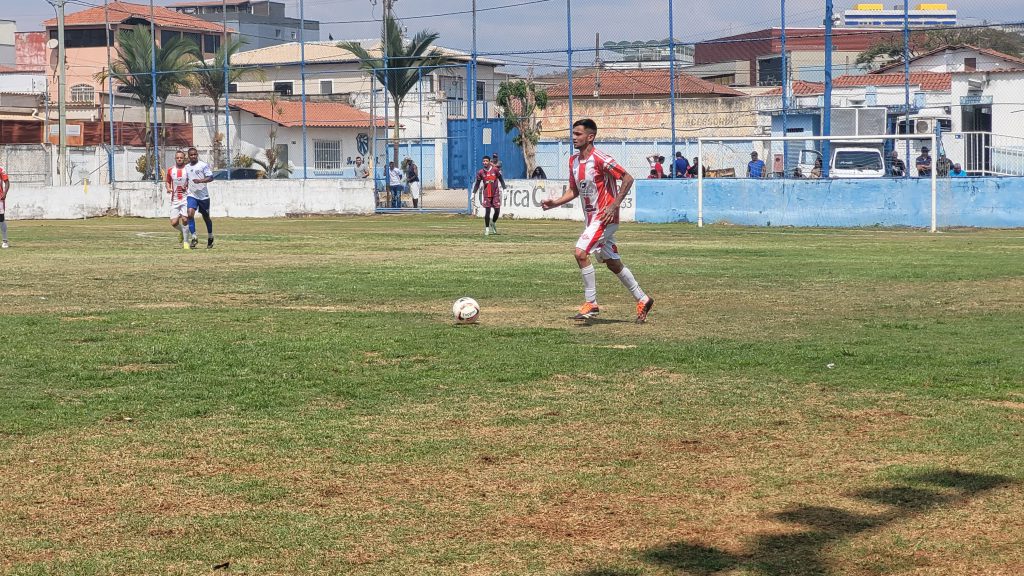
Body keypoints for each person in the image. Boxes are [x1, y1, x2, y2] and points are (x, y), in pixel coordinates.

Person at [541, 118, 654, 323]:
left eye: (578, 134)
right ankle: (643, 298)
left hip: (605, 217)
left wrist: (614, 205)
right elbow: (574, 191)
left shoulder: (601, 158)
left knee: (580, 252)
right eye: (573, 133)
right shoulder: (573, 161)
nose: (573, 137)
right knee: (612, 263)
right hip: (591, 219)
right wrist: (555, 203)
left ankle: (591, 303)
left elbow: (628, 178)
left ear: (590, 137)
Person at [185, 147, 215, 249]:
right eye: (191, 155)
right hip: (192, 195)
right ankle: (194, 238)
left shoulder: (203, 165)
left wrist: (201, 181)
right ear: (188, 156)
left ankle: (210, 236)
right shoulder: (186, 167)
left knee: (206, 217)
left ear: (197, 155)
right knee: (189, 214)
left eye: (195, 154)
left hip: (203, 196)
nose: (193, 156)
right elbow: (186, 179)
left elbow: (211, 177)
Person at [472, 155, 506, 235]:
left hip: (495, 193)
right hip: (487, 194)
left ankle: (493, 222)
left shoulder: (495, 170)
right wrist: (473, 193)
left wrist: (505, 190)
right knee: (487, 211)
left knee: (497, 210)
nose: (485, 162)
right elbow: (477, 184)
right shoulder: (480, 172)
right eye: (484, 161)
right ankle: (487, 228)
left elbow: (501, 179)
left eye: (486, 161)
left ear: (490, 162)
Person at [166, 150, 192, 250]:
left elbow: (192, 181)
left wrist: (188, 187)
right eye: (177, 158)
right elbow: (168, 181)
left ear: (184, 158)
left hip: (186, 198)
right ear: (175, 158)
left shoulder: (188, 169)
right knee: (174, 223)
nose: (179, 159)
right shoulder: (170, 170)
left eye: (181, 157)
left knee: (185, 219)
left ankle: (186, 242)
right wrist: (168, 188)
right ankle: (183, 231)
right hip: (175, 199)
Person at [0, 164, 9, 249]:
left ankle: (5, 241)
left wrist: (5, 193)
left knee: (1, 219)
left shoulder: (1, 169)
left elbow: (6, 182)